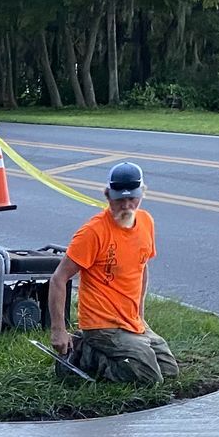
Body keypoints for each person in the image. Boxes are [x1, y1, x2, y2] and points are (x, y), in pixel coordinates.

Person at [46, 161, 181, 385]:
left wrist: (139, 314)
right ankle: (82, 355)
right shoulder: (92, 232)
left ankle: (95, 348)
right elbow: (59, 278)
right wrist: (58, 330)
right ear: (108, 196)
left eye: (132, 199)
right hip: (101, 325)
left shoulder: (146, 222)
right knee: (148, 378)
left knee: (169, 371)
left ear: (142, 194)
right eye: (119, 200)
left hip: (131, 320)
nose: (126, 206)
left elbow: (141, 267)